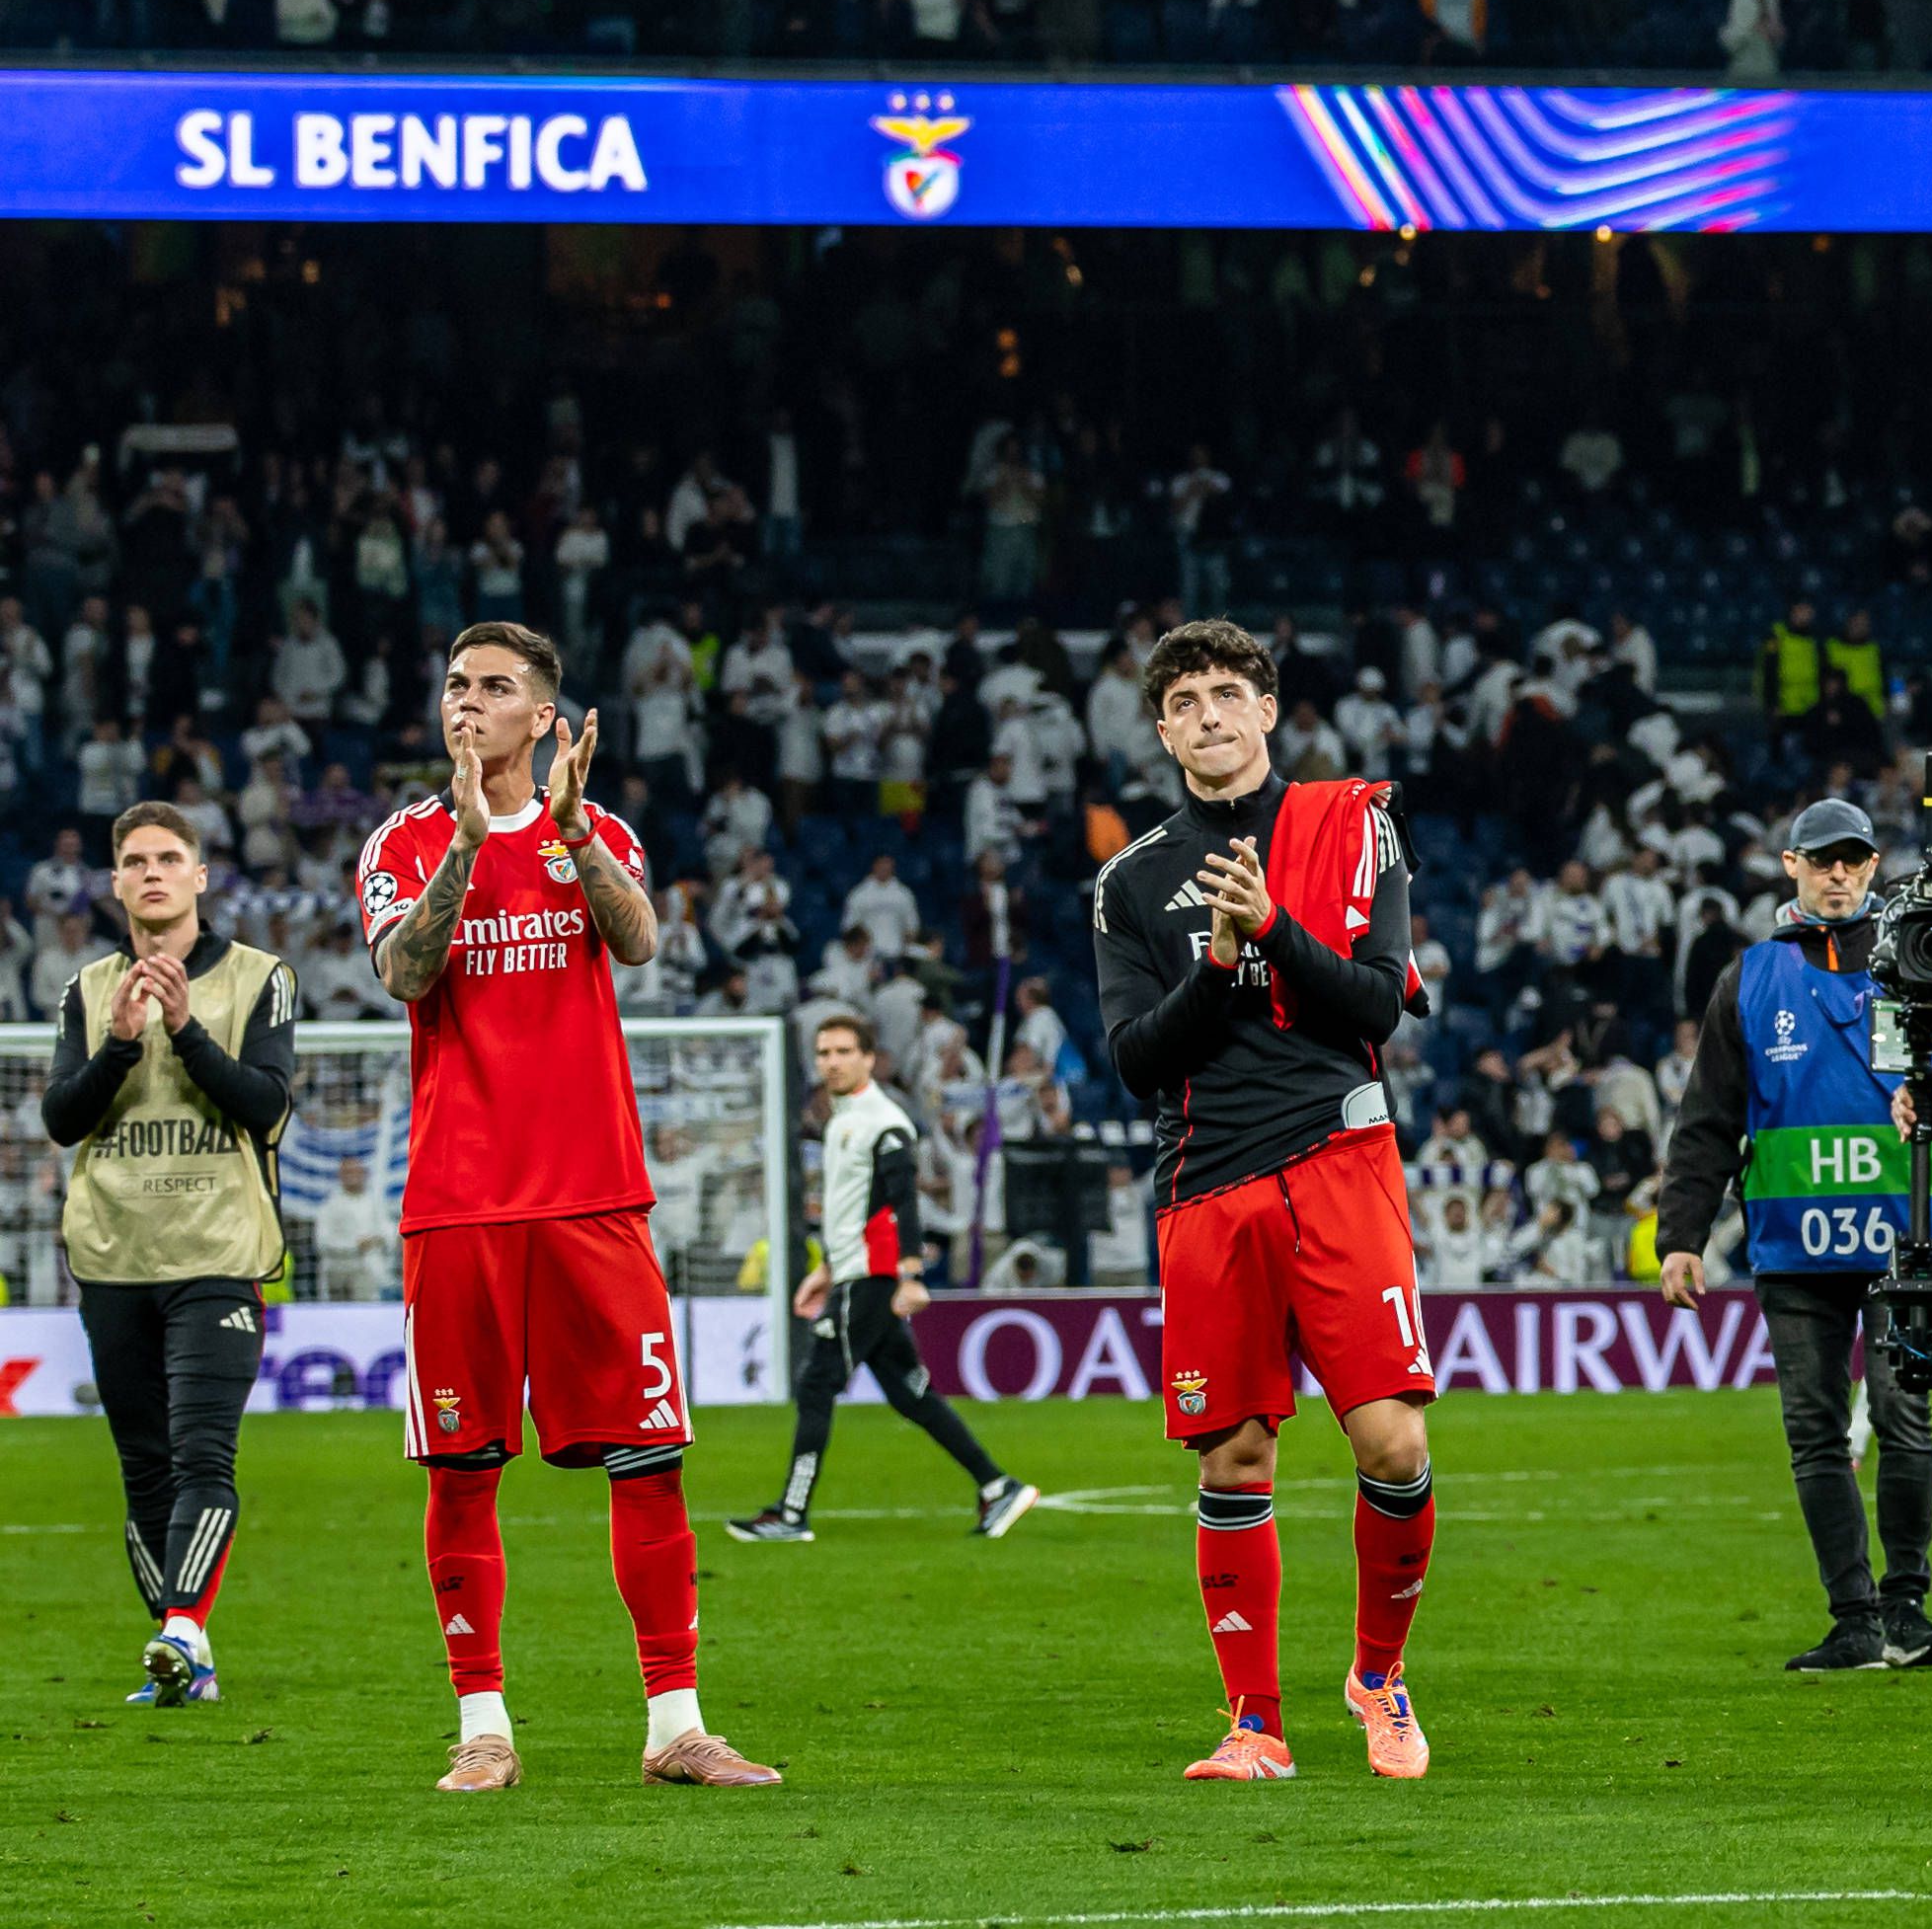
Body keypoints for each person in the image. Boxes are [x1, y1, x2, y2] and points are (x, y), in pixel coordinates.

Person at [363, 625, 774, 1790]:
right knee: (462, 1469)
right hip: (460, 1202)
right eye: (455, 685)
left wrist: (573, 829)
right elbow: (403, 972)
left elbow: (638, 941)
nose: (466, 702)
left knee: (649, 1459)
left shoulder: (596, 828)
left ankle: (675, 1726)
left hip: (595, 1196)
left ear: (544, 716)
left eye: (494, 688)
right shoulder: (404, 839)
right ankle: (483, 1727)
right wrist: (467, 839)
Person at [1094, 616, 1438, 1783]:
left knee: (1393, 1440)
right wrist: (1218, 963)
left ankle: (1378, 1677)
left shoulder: (1353, 823)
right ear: (1161, 731)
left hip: (1340, 1156)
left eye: (1227, 693)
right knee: (1233, 1459)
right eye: (1184, 701)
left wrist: (1273, 931)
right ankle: (1254, 1724)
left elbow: (1377, 1006)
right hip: (1207, 1180)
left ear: (1268, 710)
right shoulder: (1131, 879)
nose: (1209, 715)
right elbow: (1135, 1058)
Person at [1643, 796, 1932, 1673]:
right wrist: (1681, 1234)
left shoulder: (1925, 964)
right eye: (1822, 859)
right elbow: (1707, 1118)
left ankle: (1905, 1609)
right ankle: (1854, 1618)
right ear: (1792, 865)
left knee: (1902, 1418)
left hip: (1905, 1241)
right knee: (1815, 1432)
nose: (1838, 873)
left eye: (1853, 858)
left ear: (1875, 865)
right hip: (1793, 1246)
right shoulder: (1749, 977)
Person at [43, 800, 295, 1709]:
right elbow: (61, 1117)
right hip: (113, 1254)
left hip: (217, 1252)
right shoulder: (86, 989)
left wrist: (186, 1031)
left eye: (169, 858)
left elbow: (266, 1104)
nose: (152, 872)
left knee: (201, 1454)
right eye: (136, 861)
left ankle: (183, 1625)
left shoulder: (259, 977)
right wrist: (117, 1046)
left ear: (200, 875)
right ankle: (187, 1654)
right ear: (115, 882)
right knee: (143, 1465)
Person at [728, 1007, 1039, 1545]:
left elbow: (902, 1202)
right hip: (852, 1271)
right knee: (910, 1393)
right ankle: (997, 1486)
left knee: (816, 1383)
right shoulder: (843, 1120)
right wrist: (826, 1268)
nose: (832, 1062)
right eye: (824, 1053)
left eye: (844, 1052)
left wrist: (911, 1274)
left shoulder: (883, 1121)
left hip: (870, 1278)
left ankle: (791, 1514)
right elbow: (855, 1207)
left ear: (869, 1058)